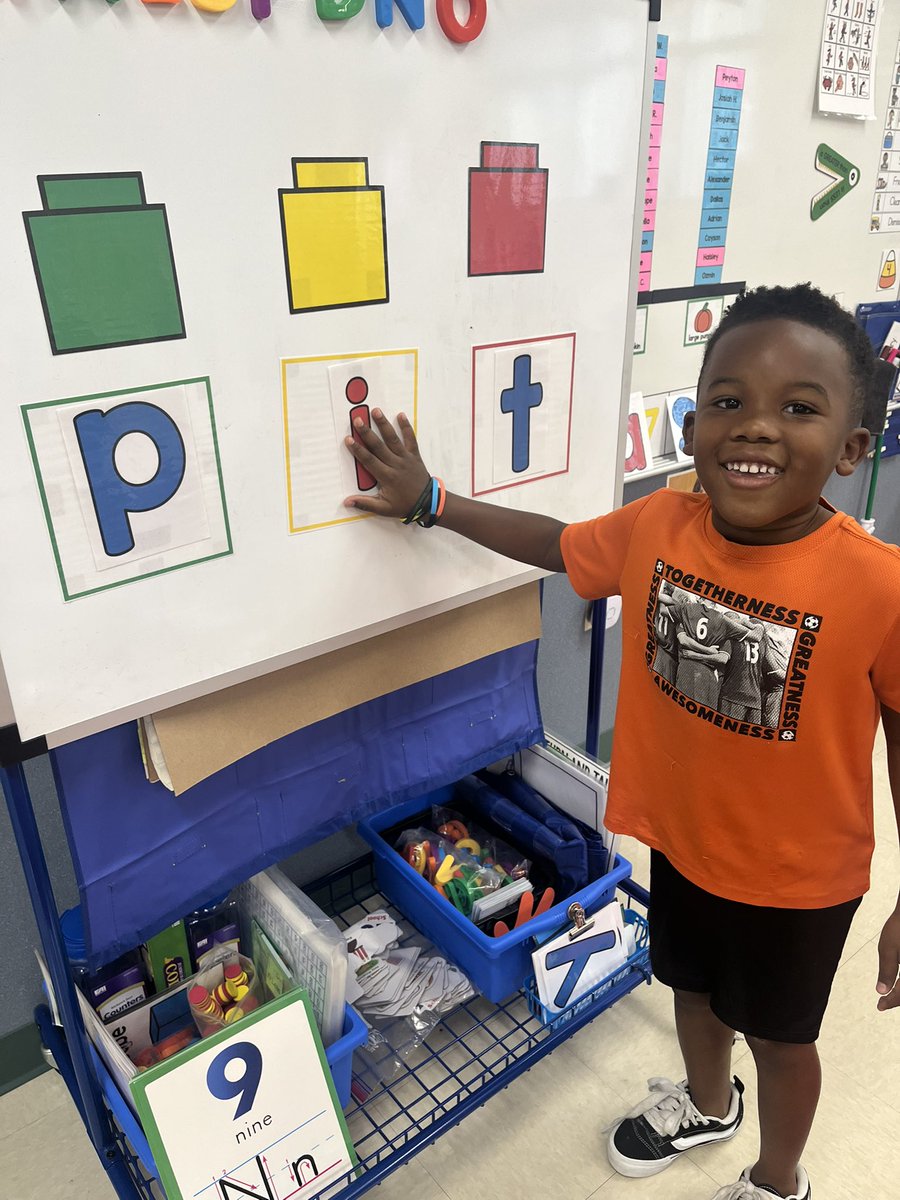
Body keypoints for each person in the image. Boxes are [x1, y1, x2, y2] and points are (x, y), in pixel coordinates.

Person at [342, 283, 900, 1200]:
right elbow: (557, 545)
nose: (757, 426)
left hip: (796, 883)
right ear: (694, 422)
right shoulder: (658, 526)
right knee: (690, 990)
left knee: (781, 1039)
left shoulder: (878, 587)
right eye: (729, 400)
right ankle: (710, 1105)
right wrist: (432, 500)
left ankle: (778, 1179)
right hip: (682, 842)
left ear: (850, 446)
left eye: (799, 408)